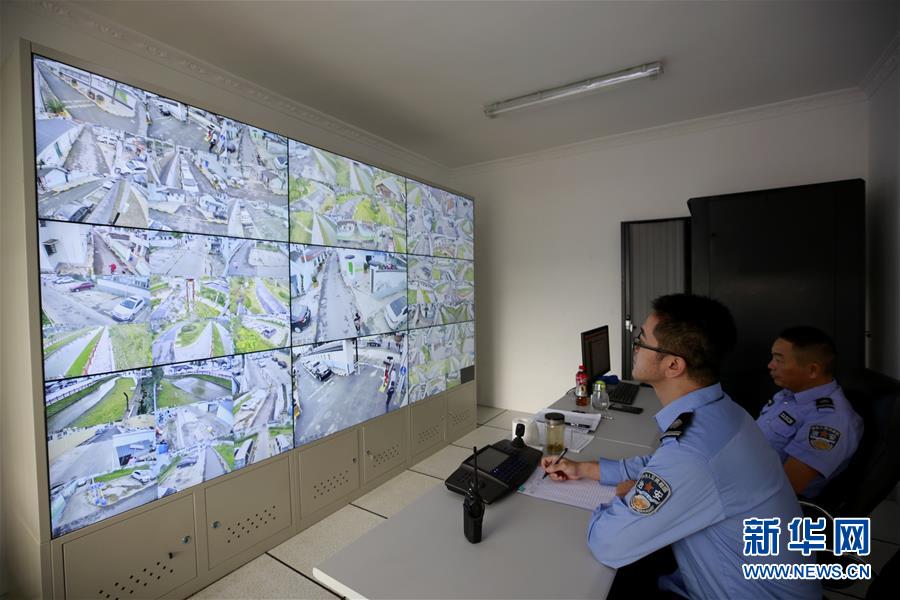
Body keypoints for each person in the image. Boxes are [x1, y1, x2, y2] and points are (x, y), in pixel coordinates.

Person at [542, 294, 819, 599]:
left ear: (673, 364)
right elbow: (664, 463)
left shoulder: (695, 450)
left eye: (641, 341)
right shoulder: (722, 412)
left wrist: (627, 495)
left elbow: (608, 543)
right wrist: (587, 469)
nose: (635, 347)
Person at [757, 326, 863, 498]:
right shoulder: (789, 394)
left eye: (779, 360)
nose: (770, 365)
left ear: (812, 370)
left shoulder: (829, 420)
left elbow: (784, 489)